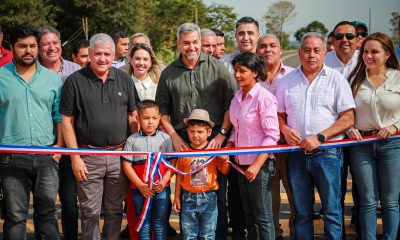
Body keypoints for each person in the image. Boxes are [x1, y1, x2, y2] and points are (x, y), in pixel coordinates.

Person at [155, 22, 236, 240]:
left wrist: (222, 134)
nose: (191, 47)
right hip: (183, 139)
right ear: (178, 44)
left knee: (217, 195)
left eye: (195, 42)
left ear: (201, 42)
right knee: (186, 194)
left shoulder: (218, 68)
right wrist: (174, 136)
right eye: (186, 43)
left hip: (214, 139)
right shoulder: (168, 73)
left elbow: (231, 103)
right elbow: (161, 111)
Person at [276, 32, 355, 239]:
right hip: (297, 155)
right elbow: (279, 115)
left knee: (332, 211)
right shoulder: (287, 81)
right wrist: (284, 129)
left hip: (327, 153)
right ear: (300, 52)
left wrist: (320, 137)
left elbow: (348, 118)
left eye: (316, 50)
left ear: (325, 52)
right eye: (307, 50)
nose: (311, 55)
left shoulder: (337, 80)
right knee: (302, 211)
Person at [60, 33, 138, 240]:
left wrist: (134, 152)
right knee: (90, 212)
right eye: (98, 54)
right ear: (90, 55)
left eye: (107, 54)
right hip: (88, 156)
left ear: (114, 55)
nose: (102, 59)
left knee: (114, 211)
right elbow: (67, 121)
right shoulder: (74, 81)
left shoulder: (124, 79)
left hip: (119, 155)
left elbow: (133, 116)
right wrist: (75, 157)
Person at [0, 24, 62, 240]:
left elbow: (59, 116)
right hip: (10, 158)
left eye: (33, 46)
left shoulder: (52, 79)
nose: (28, 51)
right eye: (22, 46)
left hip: (46, 157)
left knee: (47, 215)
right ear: (11, 47)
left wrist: (60, 146)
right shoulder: (0, 78)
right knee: (15, 216)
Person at [347, 32, 400, 240]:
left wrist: (395, 126)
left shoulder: (398, 77)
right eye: (365, 52)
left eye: (374, 52)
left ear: (387, 54)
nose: (368, 56)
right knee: (367, 200)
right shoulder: (355, 80)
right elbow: (344, 111)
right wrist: (350, 128)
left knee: (390, 201)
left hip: (393, 146)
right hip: (362, 147)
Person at [226, 51, 279, 240]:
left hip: (259, 166)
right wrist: (229, 146)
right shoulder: (237, 96)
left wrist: (256, 166)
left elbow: (272, 136)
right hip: (241, 164)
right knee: (249, 215)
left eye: (242, 71)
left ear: (255, 72)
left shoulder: (264, 98)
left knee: (263, 216)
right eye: (235, 70)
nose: (237, 75)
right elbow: (236, 129)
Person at [37, 25, 81, 240]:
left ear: (61, 44)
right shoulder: (31, 71)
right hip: (42, 144)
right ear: (38, 47)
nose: (51, 48)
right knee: (43, 200)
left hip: (71, 144)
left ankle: (70, 237)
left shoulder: (75, 70)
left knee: (70, 200)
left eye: (55, 43)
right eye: (46, 44)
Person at [256, 34, 295, 240]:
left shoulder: (293, 75)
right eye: (262, 46)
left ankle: (296, 233)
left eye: (272, 46)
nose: (267, 50)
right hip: (264, 150)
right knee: (269, 200)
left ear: (281, 50)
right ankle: (274, 235)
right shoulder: (251, 79)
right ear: (256, 52)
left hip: (291, 148)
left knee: (295, 196)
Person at [324, 21, 361, 238]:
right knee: (334, 192)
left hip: (361, 136)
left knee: (362, 190)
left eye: (349, 36)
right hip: (333, 136)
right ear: (332, 41)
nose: (344, 40)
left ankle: (361, 226)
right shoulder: (324, 62)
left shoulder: (365, 61)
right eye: (339, 36)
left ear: (357, 40)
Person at [173, 109, 230, 240]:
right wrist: (177, 197)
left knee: (207, 235)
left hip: (209, 198)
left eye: (200, 132)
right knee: (189, 235)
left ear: (209, 132)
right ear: (187, 131)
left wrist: (225, 159)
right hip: (188, 198)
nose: (195, 135)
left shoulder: (213, 151)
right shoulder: (184, 151)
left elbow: (225, 170)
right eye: (192, 131)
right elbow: (179, 175)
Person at [122, 100, 175, 239]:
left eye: (154, 118)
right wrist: (140, 185)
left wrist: (163, 182)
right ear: (138, 119)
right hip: (139, 189)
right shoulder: (131, 140)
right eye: (146, 118)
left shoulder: (166, 139)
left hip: (161, 189)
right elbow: (127, 166)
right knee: (143, 222)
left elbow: (172, 164)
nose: (150, 122)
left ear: (159, 118)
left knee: (160, 222)